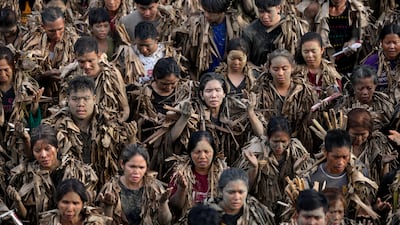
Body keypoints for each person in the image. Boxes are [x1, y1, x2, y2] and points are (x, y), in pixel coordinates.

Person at [43, 76, 136, 186]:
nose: (81, 104)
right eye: (75, 99)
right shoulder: (55, 126)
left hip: (105, 188)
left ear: (94, 98)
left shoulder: (110, 124)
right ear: (67, 99)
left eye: (86, 99)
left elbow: (126, 162)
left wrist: (131, 139)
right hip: (69, 190)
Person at [6, 125, 98, 225]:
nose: (43, 155)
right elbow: (27, 217)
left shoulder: (79, 171)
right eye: (37, 151)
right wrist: (18, 201)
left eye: (47, 149)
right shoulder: (26, 176)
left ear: (57, 148)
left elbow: (87, 210)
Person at [239, 116, 314, 223]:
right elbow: (245, 187)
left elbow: (305, 186)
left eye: (284, 141)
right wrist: (254, 168)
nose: (279, 146)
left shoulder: (297, 152)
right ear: (268, 137)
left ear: (290, 138)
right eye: (275, 141)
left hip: (287, 208)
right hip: (263, 210)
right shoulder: (255, 152)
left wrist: (296, 171)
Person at [127, 57, 194, 173]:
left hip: (174, 151)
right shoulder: (143, 95)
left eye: (173, 83)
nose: (168, 87)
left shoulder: (184, 92)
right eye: (164, 84)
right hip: (148, 148)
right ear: (155, 78)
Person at [308, 129, 379, 220]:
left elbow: (366, 198)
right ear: (325, 152)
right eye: (336, 157)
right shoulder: (314, 175)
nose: (341, 162)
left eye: (345, 157)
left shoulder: (359, 172)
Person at [195, 72, 264, 165]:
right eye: (208, 91)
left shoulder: (235, 108)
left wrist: (250, 112)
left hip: (234, 162)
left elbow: (260, 134)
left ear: (224, 93)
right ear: (201, 95)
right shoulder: (195, 113)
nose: (213, 95)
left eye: (217, 90)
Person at [254, 48, 317, 151]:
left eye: (284, 68)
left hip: (298, 144)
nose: (280, 73)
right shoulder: (261, 93)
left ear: (292, 68)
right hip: (268, 144)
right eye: (275, 69)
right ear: (269, 69)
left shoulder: (304, 92)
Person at [19, 6, 79, 114]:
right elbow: (24, 74)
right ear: (43, 26)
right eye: (51, 31)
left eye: (60, 29)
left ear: (64, 23)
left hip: (65, 101)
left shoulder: (73, 41)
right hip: (38, 101)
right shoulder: (31, 43)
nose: (57, 35)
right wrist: (43, 76)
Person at [97, 143, 172, 225]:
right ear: (122, 164)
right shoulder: (111, 189)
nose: (136, 172)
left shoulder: (154, 187)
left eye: (141, 167)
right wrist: (108, 206)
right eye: (132, 166)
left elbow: (165, 222)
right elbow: (103, 222)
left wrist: (163, 203)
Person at [60, 36, 130, 122]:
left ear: (99, 55)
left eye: (90, 61)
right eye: (81, 62)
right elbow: (63, 104)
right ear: (76, 57)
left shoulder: (112, 75)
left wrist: (117, 123)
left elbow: (125, 108)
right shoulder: (71, 75)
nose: (87, 66)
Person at [178, 0, 247, 79]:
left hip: (227, 75)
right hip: (203, 76)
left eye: (210, 12)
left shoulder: (235, 25)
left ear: (221, 12)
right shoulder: (196, 26)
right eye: (205, 11)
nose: (206, 15)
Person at [299, 0, 370, 75]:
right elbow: (306, 34)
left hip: (348, 61)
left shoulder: (354, 9)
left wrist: (352, 42)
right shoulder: (316, 9)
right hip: (325, 63)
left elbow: (356, 35)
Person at [168, 131, 227, 219]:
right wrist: (181, 189)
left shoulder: (224, 173)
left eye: (206, 152)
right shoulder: (181, 174)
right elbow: (175, 207)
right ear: (190, 153)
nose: (202, 156)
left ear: (214, 153)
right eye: (197, 152)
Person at [0, 46, 43, 168]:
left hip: (19, 144)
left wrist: (34, 106)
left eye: (6, 69)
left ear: (13, 67)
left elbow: (34, 120)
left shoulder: (24, 87)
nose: (3, 74)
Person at [242, 0, 308, 67]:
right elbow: (245, 59)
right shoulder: (250, 32)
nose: (265, 16)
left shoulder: (292, 27)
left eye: (269, 11)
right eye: (261, 12)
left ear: (278, 8)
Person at [201, 167, 275, 225]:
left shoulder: (257, 214)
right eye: (231, 192)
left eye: (241, 192)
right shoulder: (204, 214)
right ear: (221, 191)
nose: (236, 197)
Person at [346, 108, 397, 185]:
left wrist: (385, 165)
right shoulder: (339, 146)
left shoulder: (378, 145)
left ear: (369, 131)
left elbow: (385, 181)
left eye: (363, 134)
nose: (359, 139)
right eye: (355, 134)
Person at [337, 65, 394, 131]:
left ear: (375, 86)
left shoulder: (384, 102)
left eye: (369, 88)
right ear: (353, 87)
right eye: (360, 89)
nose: (365, 92)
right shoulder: (344, 104)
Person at [39, 179, 109, 225]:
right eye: (65, 202)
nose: (69, 209)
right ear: (57, 202)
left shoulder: (95, 223)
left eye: (75, 203)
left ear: (83, 204)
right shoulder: (47, 222)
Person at [295, 32, 342, 99]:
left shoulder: (331, 73)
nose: (310, 55)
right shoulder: (297, 73)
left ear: (322, 50)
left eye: (313, 51)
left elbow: (338, 97)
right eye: (306, 52)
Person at [363, 24, 400, 102]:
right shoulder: (371, 62)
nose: (392, 46)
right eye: (388, 43)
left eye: (395, 42)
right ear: (381, 43)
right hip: (377, 105)